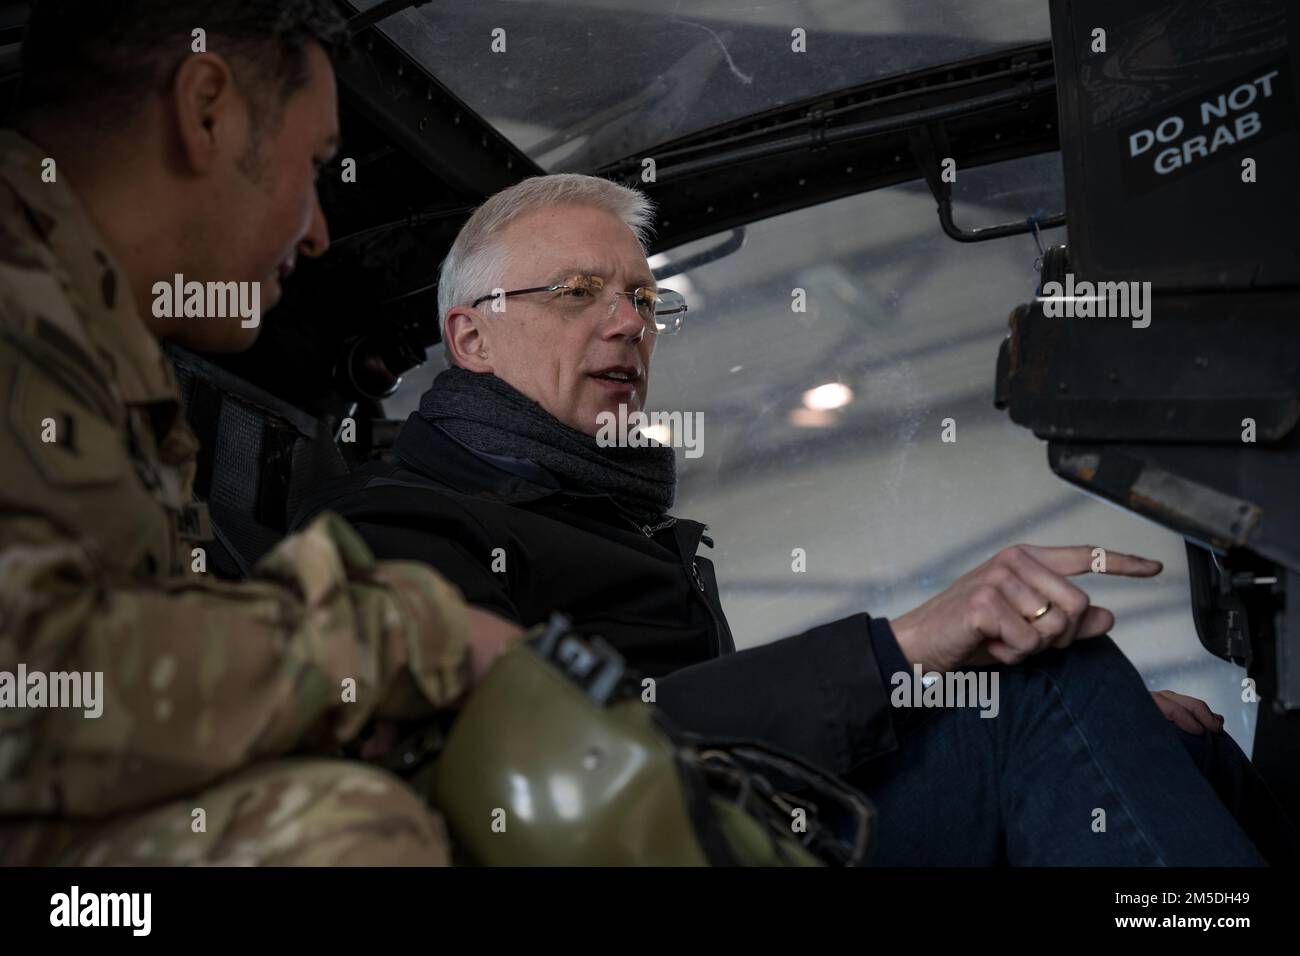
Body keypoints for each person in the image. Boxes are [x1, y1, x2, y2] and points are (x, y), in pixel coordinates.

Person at [300, 173, 1300, 865]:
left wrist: (978, 688)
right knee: (1057, 689)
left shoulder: (611, 518)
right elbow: (538, 766)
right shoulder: (403, 526)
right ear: (469, 336)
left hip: (731, 826)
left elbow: (704, 731)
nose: (627, 325)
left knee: (1160, 738)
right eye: (577, 294)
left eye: (645, 302)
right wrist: (899, 650)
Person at [0, 0, 520, 866]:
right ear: (205, 109)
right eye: (315, 164)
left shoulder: (90, 340)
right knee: (343, 836)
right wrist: (409, 639)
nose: (317, 231)